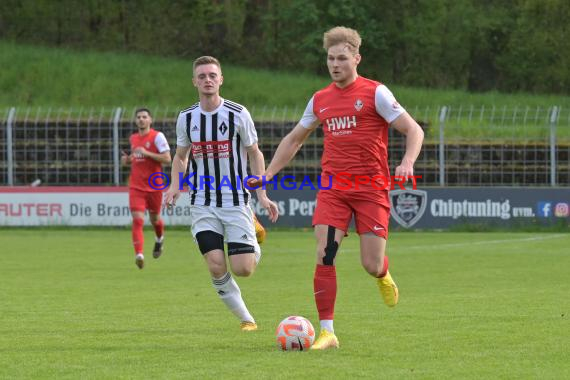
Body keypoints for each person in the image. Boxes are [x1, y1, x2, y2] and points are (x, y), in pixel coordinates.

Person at [249, 26, 424, 349]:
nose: (335, 64)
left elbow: (413, 130)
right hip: (334, 189)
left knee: (370, 264)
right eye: (330, 58)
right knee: (324, 254)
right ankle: (328, 331)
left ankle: (383, 273)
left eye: (342, 58)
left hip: (371, 188)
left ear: (356, 58)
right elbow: (295, 139)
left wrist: (408, 161)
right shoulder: (320, 99)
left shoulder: (376, 93)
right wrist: (269, 173)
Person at [164, 56, 279, 331]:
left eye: (212, 75)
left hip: (235, 199)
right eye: (202, 76)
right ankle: (246, 319)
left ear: (221, 79)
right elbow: (181, 157)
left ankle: (251, 227)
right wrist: (174, 186)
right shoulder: (187, 117)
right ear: (194, 81)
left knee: (243, 268)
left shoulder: (238, 113)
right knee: (216, 264)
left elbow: (254, 152)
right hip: (202, 202)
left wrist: (261, 194)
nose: (207, 80)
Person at [121, 108, 171, 269]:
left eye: (144, 117)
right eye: (139, 117)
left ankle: (159, 239)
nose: (141, 119)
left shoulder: (157, 137)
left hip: (154, 185)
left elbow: (167, 159)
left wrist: (147, 153)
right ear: (136, 121)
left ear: (150, 120)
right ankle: (139, 254)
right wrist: (127, 160)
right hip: (136, 186)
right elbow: (136, 158)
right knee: (138, 219)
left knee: (155, 219)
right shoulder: (133, 138)